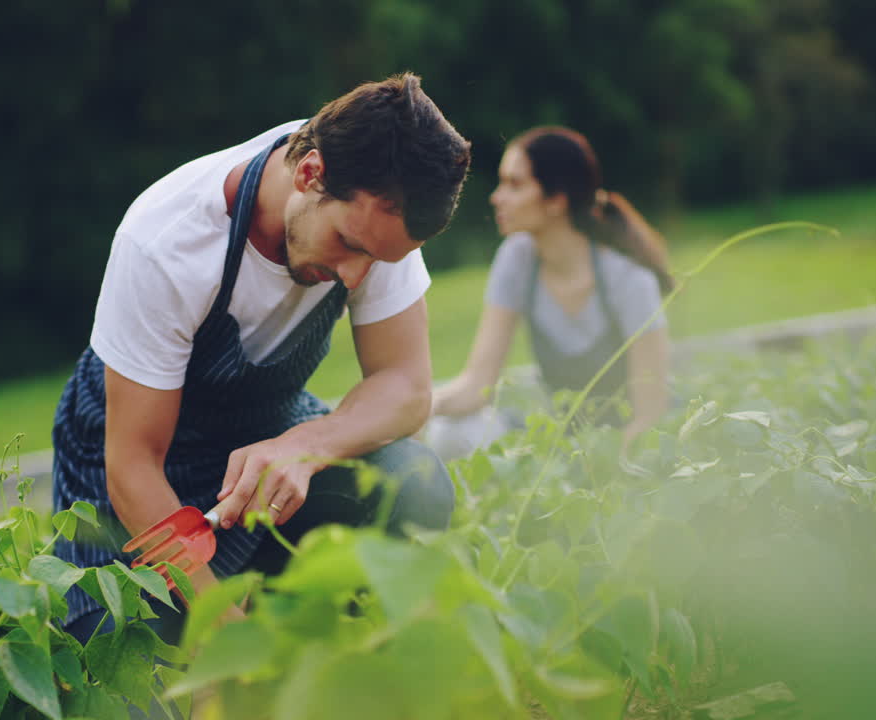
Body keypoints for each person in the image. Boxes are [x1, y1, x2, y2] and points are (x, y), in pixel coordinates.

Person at [52, 73, 471, 653]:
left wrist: (306, 445)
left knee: (411, 481)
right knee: (116, 665)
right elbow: (132, 464)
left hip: (263, 436)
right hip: (129, 477)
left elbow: (406, 387)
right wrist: (224, 633)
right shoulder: (167, 240)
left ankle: (305, 648)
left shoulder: (377, 215)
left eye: (379, 260)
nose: (355, 278)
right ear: (309, 174)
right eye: (350, 247)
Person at [427, 126, 673, 460]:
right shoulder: (517, 258)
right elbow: (477, 385)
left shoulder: (630, 282)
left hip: (626, 457)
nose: (496, 197)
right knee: (449, 432)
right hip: (562, 451)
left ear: (556, 200)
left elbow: (650, 416)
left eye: (514, 184)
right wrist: (420, 409)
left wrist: (599, 470)